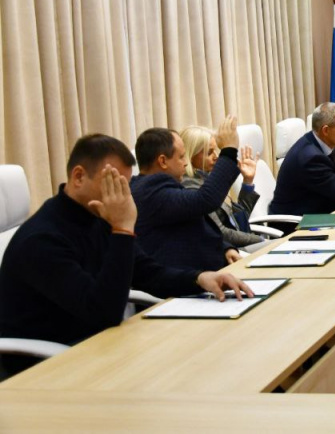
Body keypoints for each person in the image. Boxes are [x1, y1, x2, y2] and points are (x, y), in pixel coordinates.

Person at [0, 135, 251, 375]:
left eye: (125, 185)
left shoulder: (95, 217)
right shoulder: (42, 240)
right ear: (78, 177)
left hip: (98, 344)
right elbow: (103, 313)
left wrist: (199, 278)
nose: (123, 195)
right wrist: (122, 229)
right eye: (114, 183)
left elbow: (147, 272)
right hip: (48, 363)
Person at [131, 117, 245, 271]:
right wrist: (229, 150)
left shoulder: (159, 186)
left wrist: (225, 248)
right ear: (163, 161)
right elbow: (206, 200)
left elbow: (191, 227)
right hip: (188, 278)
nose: (185, 163)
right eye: (181, 157)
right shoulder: (150, 192)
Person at [180, 126, 264, 250]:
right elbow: (221, 233)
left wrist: (247, 182)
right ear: (190, 155)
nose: (216, 156)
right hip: (228, 251)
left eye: (215, 151)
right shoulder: (191, 188)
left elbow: (237, 221)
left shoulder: (206, 178)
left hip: (240, 244)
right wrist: (261, 240)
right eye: (209, 153)